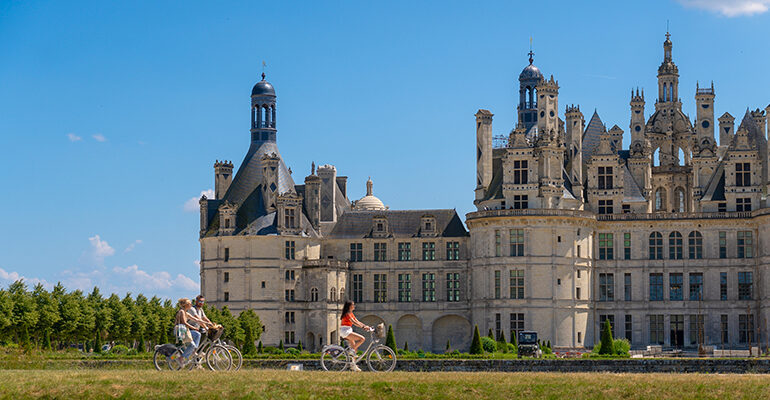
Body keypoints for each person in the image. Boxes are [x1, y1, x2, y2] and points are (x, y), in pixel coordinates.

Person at [340, 300, 370, 372]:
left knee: (354, 348)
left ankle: (353, 365)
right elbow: (353, 322)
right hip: (345, 331)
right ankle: (351, 351)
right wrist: (363, 327)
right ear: (350, 306)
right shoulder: (347, 314)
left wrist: (365, 326)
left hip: (348, 330)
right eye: (353, 305)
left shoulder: (351, 313)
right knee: (362, 339)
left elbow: (357, 321)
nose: (354, 306)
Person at [175, 298, 204, 366]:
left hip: (185, 330)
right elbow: (184, 323)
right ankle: (181, 358)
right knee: (192, 345)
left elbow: (196, 319)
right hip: (180, 331)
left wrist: (208, 324)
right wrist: (194, 328)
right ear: (186, 305)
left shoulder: (186, 313)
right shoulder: (181, 312)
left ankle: (194, 351)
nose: (191, 304)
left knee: (197, 334)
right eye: (190, 303)